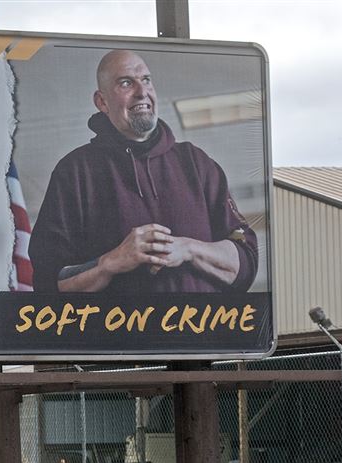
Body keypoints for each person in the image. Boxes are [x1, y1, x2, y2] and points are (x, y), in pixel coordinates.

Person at [28, 50, 258, 293]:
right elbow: (47, 284)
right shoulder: (74, 172)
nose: (141, 92)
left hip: (201, 330)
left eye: (146, 80)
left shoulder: (196, 163)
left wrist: (188, 249)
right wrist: (111, 262)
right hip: (114, 331)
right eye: (126, 83)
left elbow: (246, 261)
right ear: (102, 102)